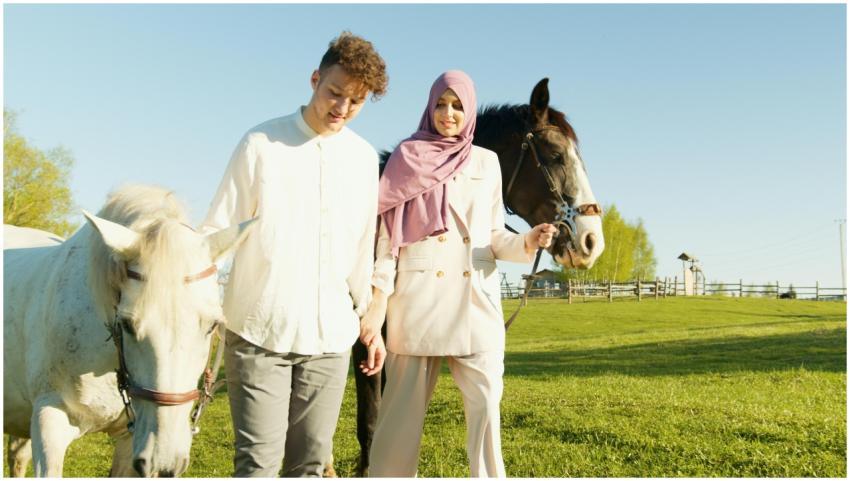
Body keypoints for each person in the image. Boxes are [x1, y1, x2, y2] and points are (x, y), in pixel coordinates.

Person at [200, 31, 388, 477]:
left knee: (307, 465)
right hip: (258, 332)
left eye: (356, 101)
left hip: (329, 341)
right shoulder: (261, 143)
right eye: (334, 92)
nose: (342, 108)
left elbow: (362, 247)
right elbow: (217, 232)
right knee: (258, 465)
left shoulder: (362, 160)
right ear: (314, 79)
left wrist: (369, 318)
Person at [359, 70, 557, 477]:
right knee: (398, 429)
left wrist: (528, 242)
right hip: (416, 304)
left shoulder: (486, 161)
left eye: (458, 105)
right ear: (429, 107)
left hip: (475, 306)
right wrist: (378, 300)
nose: (448, 113)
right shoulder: (406, 157)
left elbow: (493, 235)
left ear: (469, 112)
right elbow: (386, 239)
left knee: (487, 415)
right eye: (441, 104)